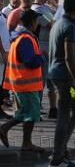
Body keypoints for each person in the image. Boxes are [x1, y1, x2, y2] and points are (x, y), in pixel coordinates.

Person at [48, 0, 75, 167]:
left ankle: (62, 149)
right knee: (64, 115)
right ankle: (57, 156)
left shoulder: (59, 23)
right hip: (64, 76)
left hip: (57, 74)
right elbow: (69, 58)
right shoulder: (69, 27)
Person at [0, 10, 47, 158]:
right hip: (25, 84)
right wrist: (41, 56)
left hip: (22, 83)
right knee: (29, 113)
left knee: (30, 113)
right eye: (36, 21)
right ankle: (5, 128)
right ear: (32, 23)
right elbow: (30, 61)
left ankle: (26, 143)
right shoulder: (25, 39)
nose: (37, 24)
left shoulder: (20, 37)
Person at [30, 0, 57, 119]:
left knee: (50, 80)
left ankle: (53, 109)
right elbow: (54, 23)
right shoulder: (36, 10)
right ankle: (36, 109)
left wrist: (53, 5)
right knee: (41, 81)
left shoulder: (46, 8)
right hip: (42, 47)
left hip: (50, 47)